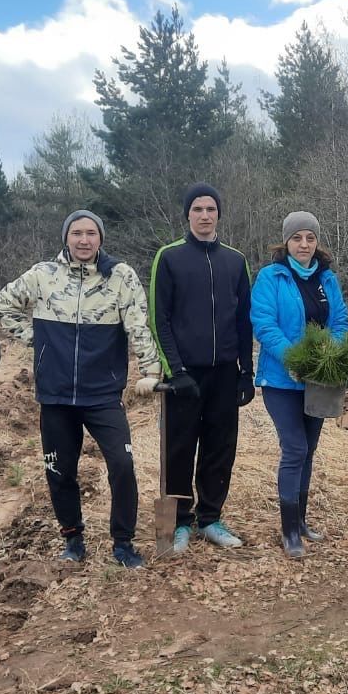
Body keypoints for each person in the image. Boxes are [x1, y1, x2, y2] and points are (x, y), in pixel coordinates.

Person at [0, 211, 161, 568]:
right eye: (76, 233)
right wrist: (39, 342)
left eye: (91, 233)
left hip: (102, 393)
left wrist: (150, 369)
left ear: (100, 238)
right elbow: (3, 305)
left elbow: (138, 325)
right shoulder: (42, 276)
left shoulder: (120, 276)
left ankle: (123, 543)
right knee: (60, 471)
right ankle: (73, 539)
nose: (84, 240)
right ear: (66, 238)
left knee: (122, 464)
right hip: (55, 395)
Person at [148, 184, 254, 552]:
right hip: (184, 374)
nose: (205, 215)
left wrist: (246, 372)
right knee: (179, 448)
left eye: (211, 209)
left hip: (225, 370)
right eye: (197, 209)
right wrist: (175, 371)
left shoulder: (235, 261)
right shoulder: (170, 257)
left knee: (220, 446)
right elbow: (158, 318)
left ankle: (210, 518)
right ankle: (179, 521)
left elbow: (245, 321)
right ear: (187, 215)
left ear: (219, 214)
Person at [250, 212, 348, 559]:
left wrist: (329, 355)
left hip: (318, 381)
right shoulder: (271, 277)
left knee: (309, 449)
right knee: (294, 448)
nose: (304, 244)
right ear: (286, 242)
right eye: (297, 238)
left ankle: (302, 520)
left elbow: (339, 322)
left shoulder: (328, 280)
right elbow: (264, 324)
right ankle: (289, 529)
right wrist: (294, 358)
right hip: (281, 379)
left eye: (310, 238)